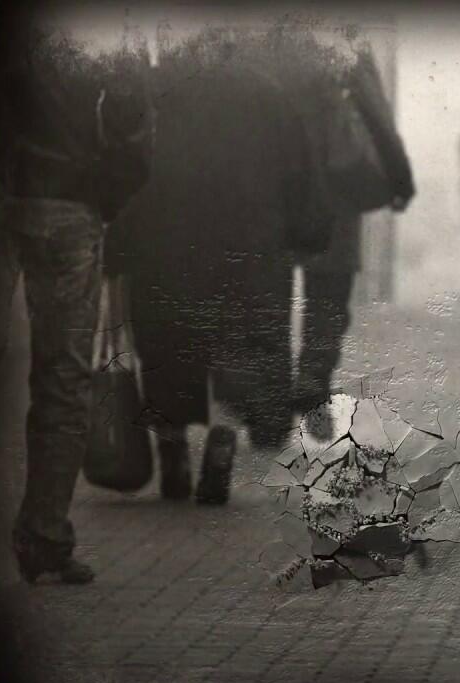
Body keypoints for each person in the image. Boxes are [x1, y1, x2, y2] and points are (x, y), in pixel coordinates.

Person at [105, 28, 315, 505]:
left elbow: (126, 171)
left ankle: (173, 452)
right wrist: (304, 236)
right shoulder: (269, 95)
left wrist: (117, 244)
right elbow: (300, 176)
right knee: (236, 351)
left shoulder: (158, 90)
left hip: (166, 246)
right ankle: (221, 445)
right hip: (248, 250)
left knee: (166, 350)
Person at [0, 11, 154, 583]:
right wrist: (98, 198)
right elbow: (135, 132)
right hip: (68, 211)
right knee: (63, 379)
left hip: (9, 193)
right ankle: (42, 538)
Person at [290, 31, 415, 421]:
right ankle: (313, 376)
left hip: (277, 180)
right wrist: (399, 179)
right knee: (328, 286)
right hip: (334, 183)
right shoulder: (342, 40)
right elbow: (376, 113)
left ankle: (269, 384)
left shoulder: (271, 39)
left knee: (269, 283)